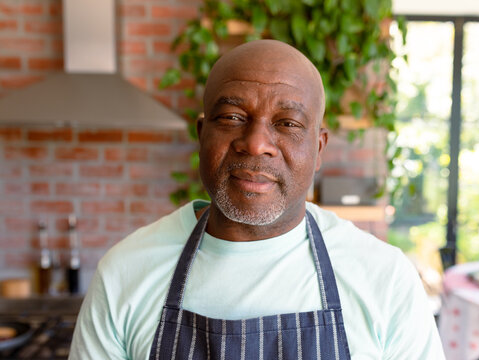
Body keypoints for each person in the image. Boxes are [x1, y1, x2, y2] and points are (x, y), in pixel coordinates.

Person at [69, 40, 445, 359]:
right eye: (232, 117)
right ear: (202, 134)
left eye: (287, 123)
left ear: (318, 149)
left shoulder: (385, 279)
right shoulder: (125, 272)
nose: (256, 143)